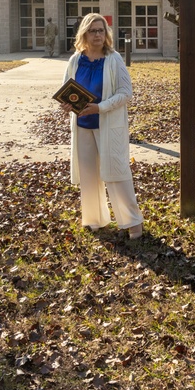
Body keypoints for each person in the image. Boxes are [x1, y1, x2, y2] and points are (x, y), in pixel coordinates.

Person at [60, 13, 144, 239]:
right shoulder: (76, 60)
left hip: (108, 125)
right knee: (88, 176)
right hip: (83, 125)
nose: (97, 35)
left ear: (106, 34)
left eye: (101, 30)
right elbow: (66, 88)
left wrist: (100, 107)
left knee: (116, 173)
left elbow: (126, 93)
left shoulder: (113, 59)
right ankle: (94, 220)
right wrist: (67, 103)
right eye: (93, 31)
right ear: (84, 34)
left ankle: (132, 222)